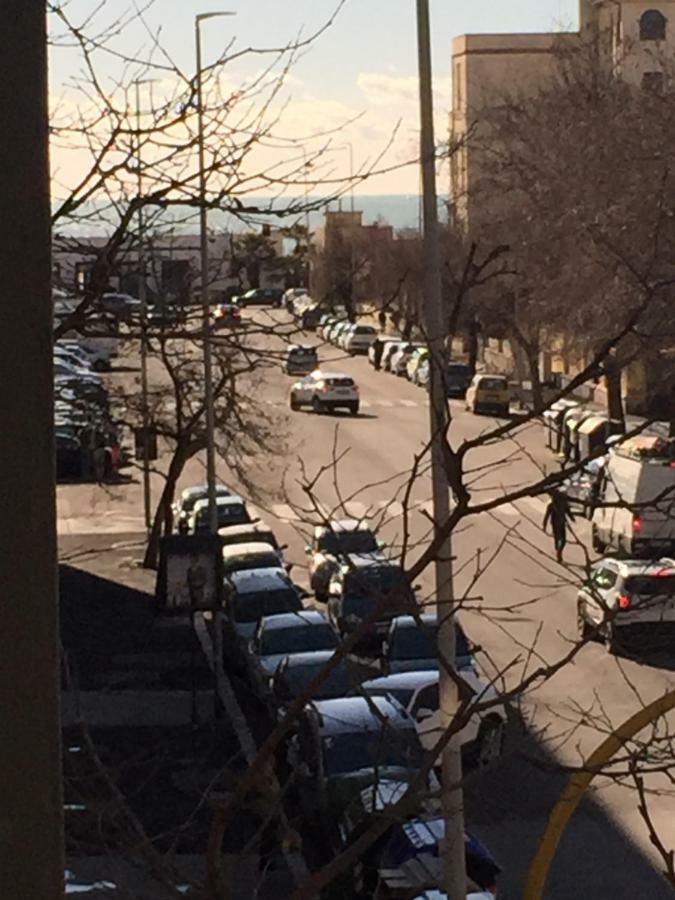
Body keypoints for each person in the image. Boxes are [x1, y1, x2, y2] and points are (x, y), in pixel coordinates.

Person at [543, 490, 575, 563]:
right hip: (556, 524)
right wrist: (544, 525)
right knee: (558, 539)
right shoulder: (552, 506)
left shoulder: (563, 504)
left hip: (562, 524)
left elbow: (568, 512)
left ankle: (559, 552)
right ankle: (558, 552)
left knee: (563, 540)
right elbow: (546, 516)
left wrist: (572, 518)